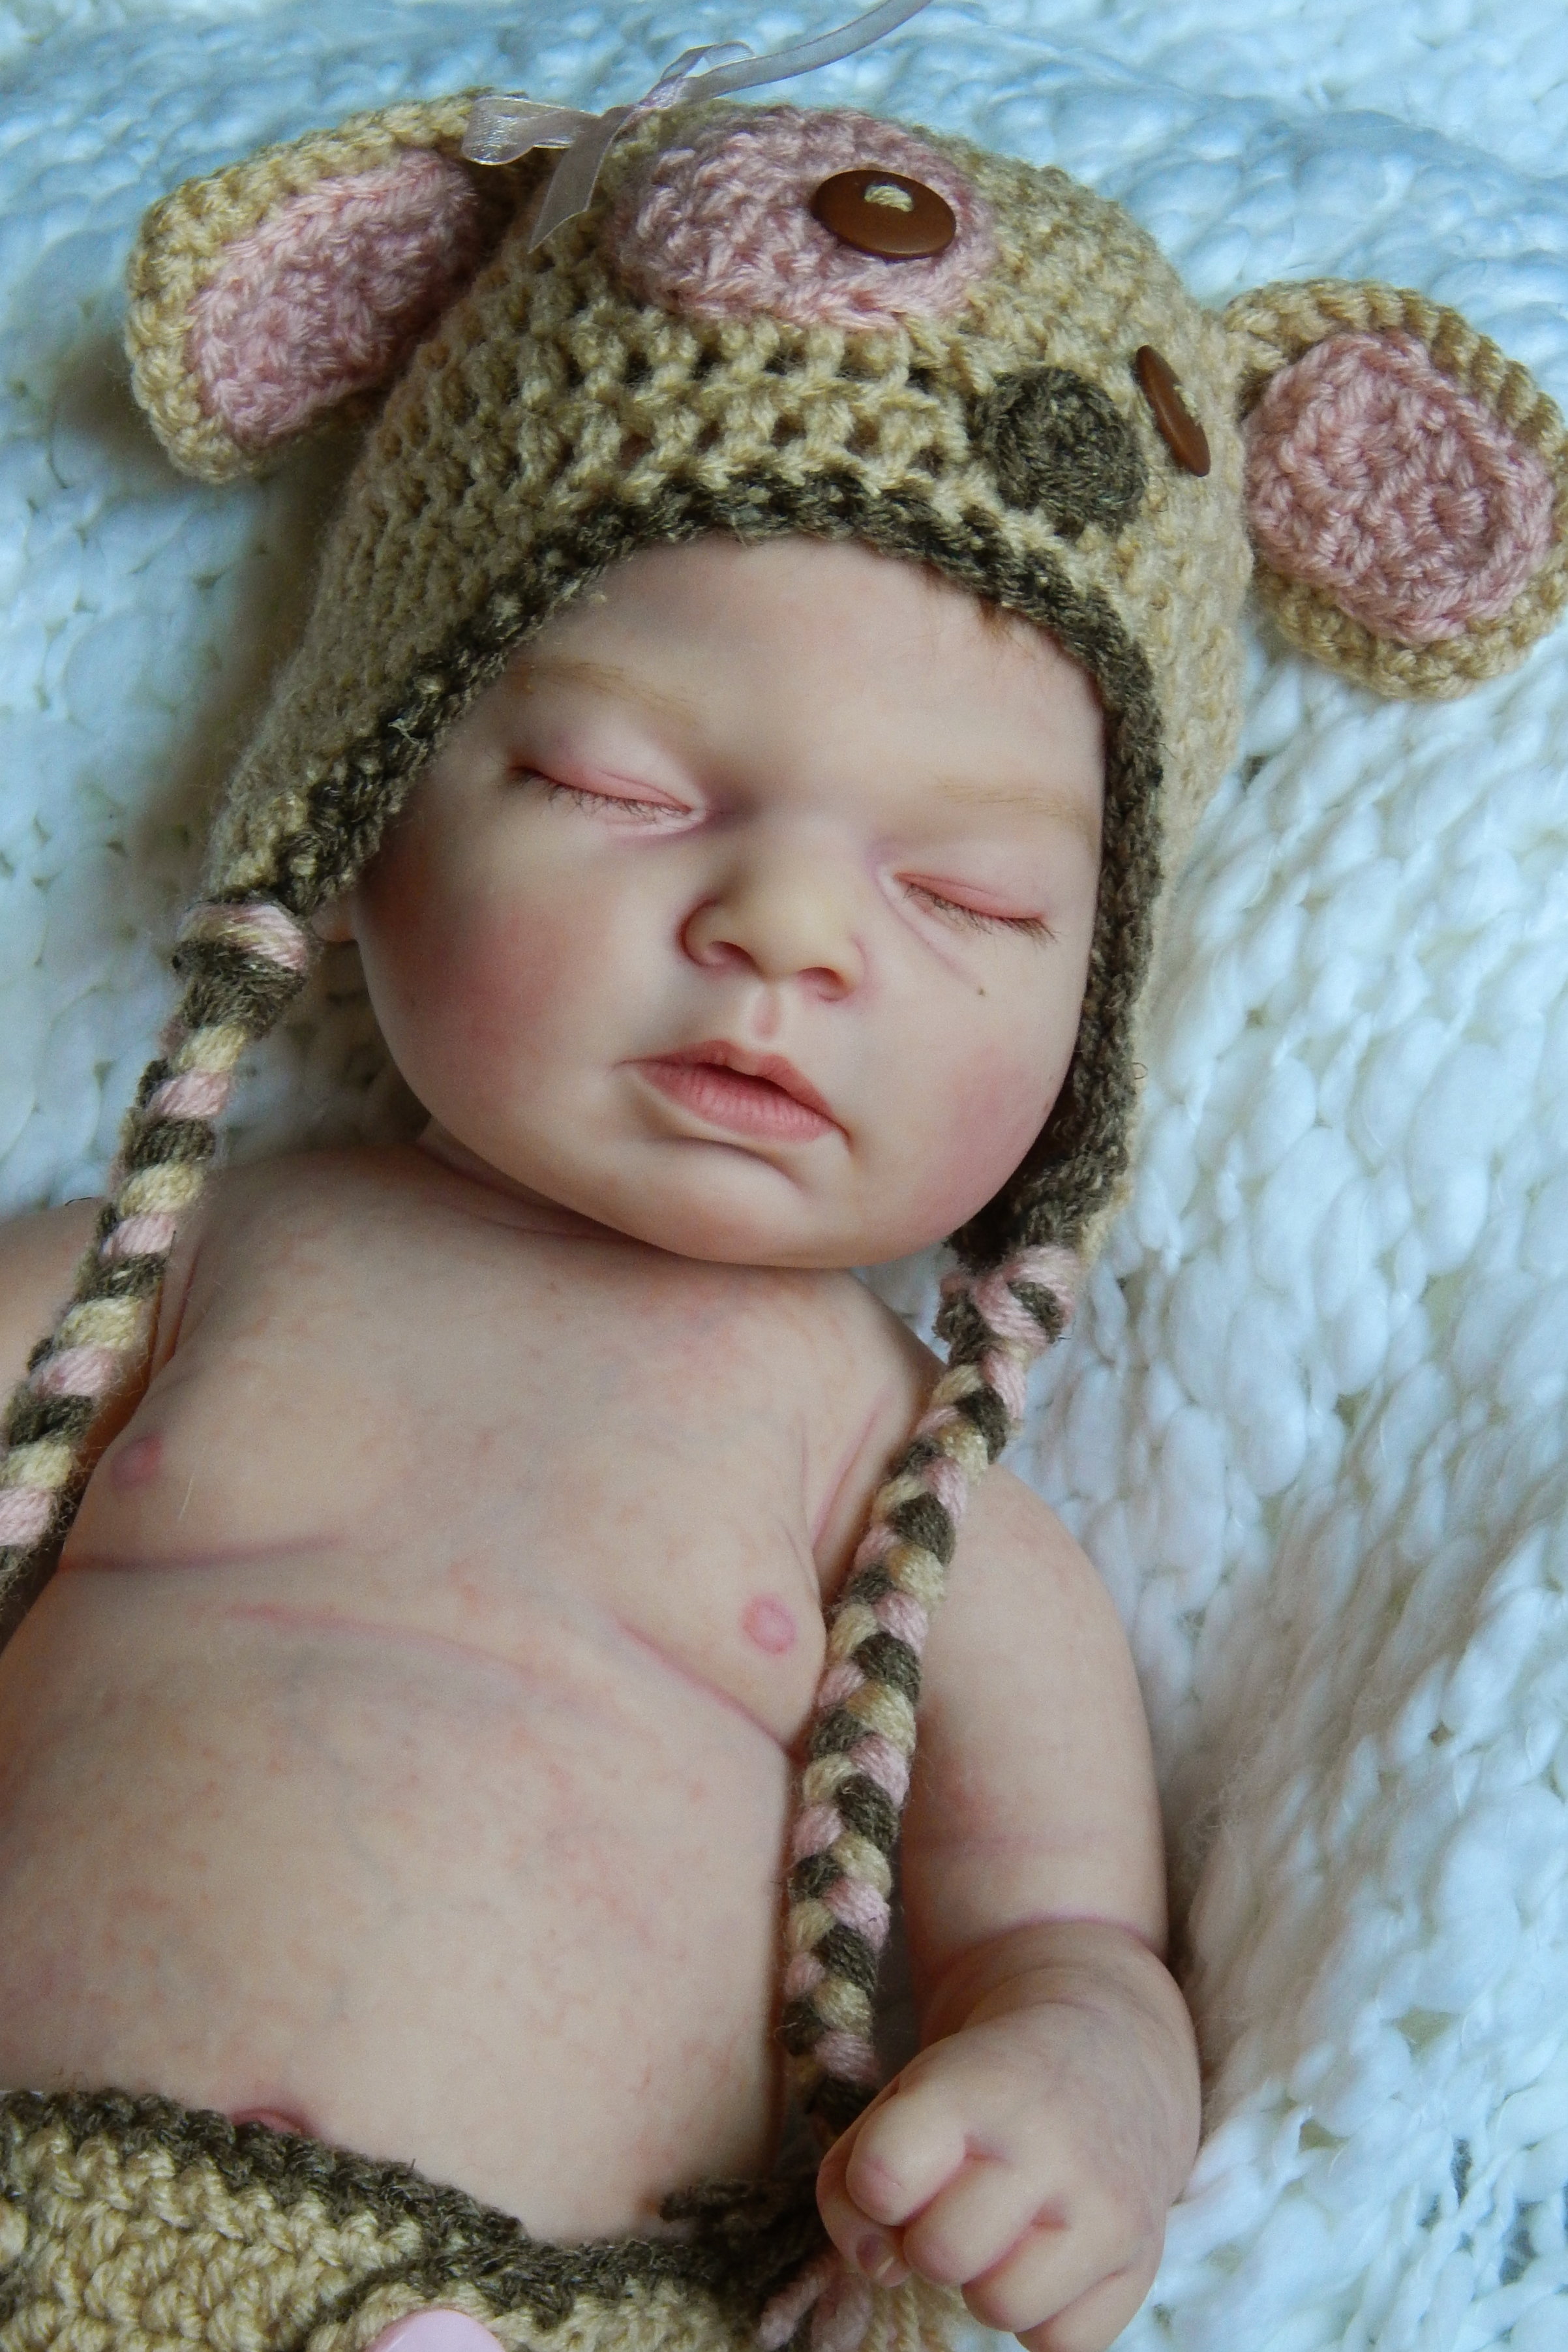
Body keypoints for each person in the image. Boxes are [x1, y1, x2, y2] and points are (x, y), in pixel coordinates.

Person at [0, 56, 1563, 2352]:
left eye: (962, 897)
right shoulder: (187, 1271)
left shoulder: (899, 1489)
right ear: (357, 802)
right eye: (614, 786)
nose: (788, 931)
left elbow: (1063, 1944)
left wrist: (1069, 2095)